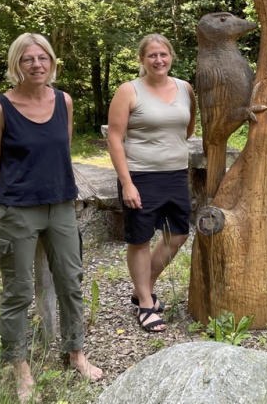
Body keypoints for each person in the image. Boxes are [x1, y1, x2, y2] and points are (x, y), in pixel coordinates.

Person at [0, 33, 102, 403]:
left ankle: (75, 352)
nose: (37, 65)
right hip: (18, 209)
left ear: (52, 62)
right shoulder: (0, 107)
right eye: (28, 59)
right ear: (16, 64)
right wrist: (7, 205)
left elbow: (62, 150)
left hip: (61, 205)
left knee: (71, 282)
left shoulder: (63, 100)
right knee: (17, 291)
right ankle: (19, 365)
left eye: (43, 58)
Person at [107, 34, 196, 333]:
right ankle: (146, 302)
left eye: (163, 54)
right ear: (142, 59)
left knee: (179, 234)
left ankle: (143, 287)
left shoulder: (185, 88)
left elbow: (188, 126)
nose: (159, 60)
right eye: (152, 56)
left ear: (171, 56)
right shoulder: (129, 91)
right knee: (141, 238)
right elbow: (115, 138)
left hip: (176, 174)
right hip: (140, 175)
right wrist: (127, 183)